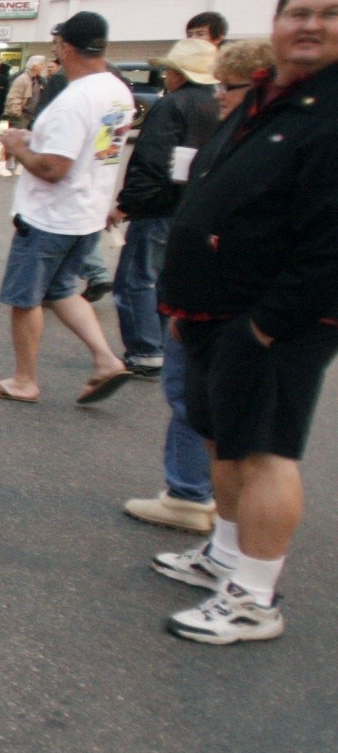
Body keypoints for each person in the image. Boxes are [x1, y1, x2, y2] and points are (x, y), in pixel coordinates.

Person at [151, 0, 338, 644]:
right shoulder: (267, 97)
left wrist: (264, 326)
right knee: (225, 440)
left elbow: (329, 245)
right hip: (212, 311)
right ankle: (224, 559)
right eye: (300, 12)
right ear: (279, 21)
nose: (311, 25)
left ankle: (254, 598)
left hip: (273, 321)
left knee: (263, 453)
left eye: (330, 14)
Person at [123, 39, 273, 535]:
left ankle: (195, 500)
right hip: (217, 288)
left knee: (204, 404)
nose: (219, 97)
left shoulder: (261, 137)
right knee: (214, 408)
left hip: (222, 295)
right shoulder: (250, 130)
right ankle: (213, 522)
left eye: (226, 88)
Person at [0, 11, 134, 403]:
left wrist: (18, 146)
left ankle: (24, 380)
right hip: (87, 211)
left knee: (26, 299)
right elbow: (87, 150)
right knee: (62, 290)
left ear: (66, 47)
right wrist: (36, 139)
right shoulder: (117, 91)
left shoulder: (75, 99)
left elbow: (53, 167)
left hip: (51, 216)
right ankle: (105, 359)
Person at [111, 39, 221, 378]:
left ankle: (146, 349)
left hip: (159, 205)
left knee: (136, 279)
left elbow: (152, 161)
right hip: (196, 207)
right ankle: (158, 344)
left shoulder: (173, 105)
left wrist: (127, 204)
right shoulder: (221, 104)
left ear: (177, 74)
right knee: (162, 279)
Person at [4, 55, 47, 130]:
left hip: (30, 116)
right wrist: (17, 114)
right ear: (34, 65)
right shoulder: (23, 79)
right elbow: (14, 97)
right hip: (21, 117)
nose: (43, 66)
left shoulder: (35, 79)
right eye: (41, 64)